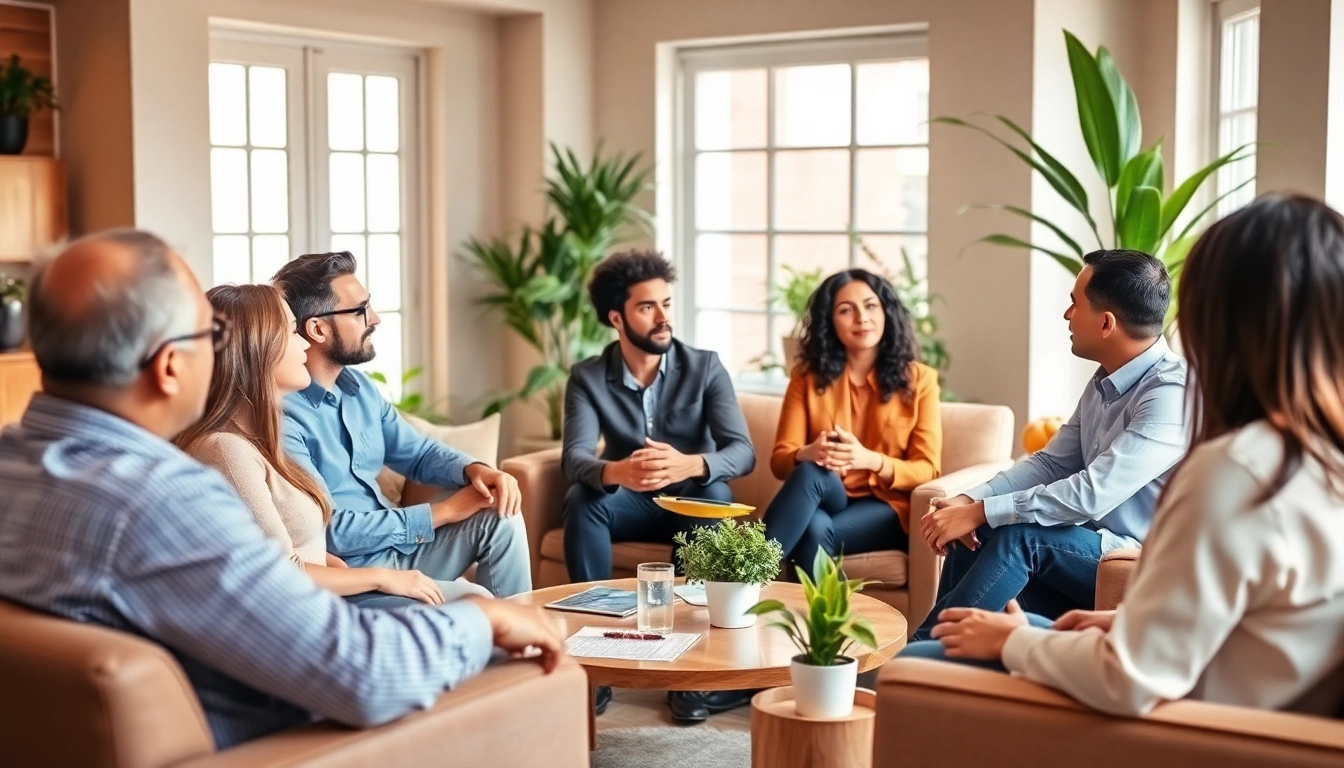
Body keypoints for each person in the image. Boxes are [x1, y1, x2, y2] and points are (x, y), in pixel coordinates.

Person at [0, 230, 564, 748]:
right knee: (502, 662)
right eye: (210, 332)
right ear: (170, 366)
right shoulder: (167, 502)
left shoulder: (12, 463)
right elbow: (364, 675)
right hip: (284, 744)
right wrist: (484, 622)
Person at [901, 194, 1344, 718]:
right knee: (981, 560)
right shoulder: (1309, 457)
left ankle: (897, 674)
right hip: (1191, 684)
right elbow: (1253, 630)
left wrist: (1013, 643)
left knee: (920, 668)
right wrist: (973, 504)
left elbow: (1133, 677)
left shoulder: (1232, 464)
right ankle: (922, 652)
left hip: (1184, 718)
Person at [912, 249, 1188, 641]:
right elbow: (1049, 464)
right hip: (1084, 547)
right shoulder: (1104, 382)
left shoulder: (1170, 394)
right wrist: (970, 501)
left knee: (1018, 534)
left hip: (1137, 561)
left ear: (1106, 323)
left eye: (1075, 304)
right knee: (975, 536)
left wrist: (984, 511)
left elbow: (1090, 495)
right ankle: (939, 661)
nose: (1067, 315)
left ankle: (916, 658)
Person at [178, 284, 485, 608]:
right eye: (294, 332)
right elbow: (279, 574)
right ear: (260, 350)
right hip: (304, 614)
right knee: (478, 605)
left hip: (329, 593)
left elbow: (282, 540)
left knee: (480, 599)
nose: (305, 345)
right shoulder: (226, 451)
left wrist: (330, 562)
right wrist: (381, 576)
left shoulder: (261, 440)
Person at [561, 249, 756, 722]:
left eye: (666, 303)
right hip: (632, 499)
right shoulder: (588, 376)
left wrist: (689, 463)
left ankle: (686, 672)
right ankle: (598, 663)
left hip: (691, 495)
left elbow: (742, 451)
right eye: (648, 307)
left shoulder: (705, 366)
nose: (664, 316)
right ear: (617, 317)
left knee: (716, 495)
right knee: (584, 498)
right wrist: (616, 472)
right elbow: (575, 457)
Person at [273, 251, 530, 598]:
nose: (375, 319)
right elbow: (326, 531)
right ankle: (511, 635)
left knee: (503, 516)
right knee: (480, 602)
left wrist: (475, 470)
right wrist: (443, 512)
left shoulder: (360, 389)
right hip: (353, 576)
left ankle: (529, 641)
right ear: (318, 329)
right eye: (359, 310)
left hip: (402, 551)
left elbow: (419, 453)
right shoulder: (283, 417)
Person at [762, 269, 941, 572]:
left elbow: (928, 469)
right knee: (810, 471)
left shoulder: (920, 380)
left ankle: (743, 574)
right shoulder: (806, 376)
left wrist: (870, 460)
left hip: (887, 506)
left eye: (871, 306)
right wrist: (809, 452)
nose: (861, 317)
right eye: (846, 310)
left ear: (886, 312)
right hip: (832, 494)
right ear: (829, 321)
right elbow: (780, 461)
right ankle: (829, 617)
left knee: (815, 529)